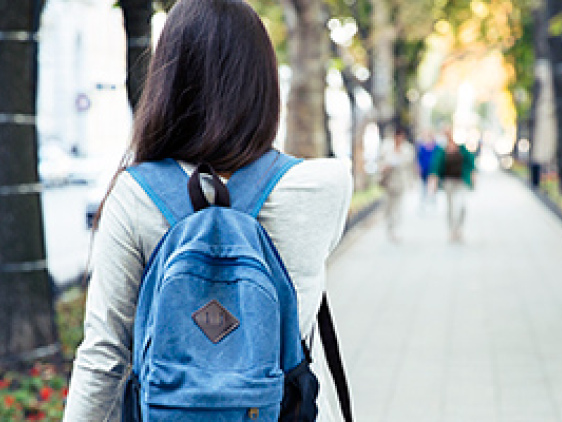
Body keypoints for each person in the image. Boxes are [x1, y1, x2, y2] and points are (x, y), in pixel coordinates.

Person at [62, 1, 352, 421]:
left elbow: (105, 354)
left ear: (168, 80)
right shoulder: (326, 185)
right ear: (263, 83)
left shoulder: (134, 194)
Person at [428, 128, 476, 242]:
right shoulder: (441, 150)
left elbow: (470, 164)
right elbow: (436, 166)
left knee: (461, 206)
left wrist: (473, 178)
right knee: (450, 208)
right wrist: (433, 181)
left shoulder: (462, 148)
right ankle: (452, 230)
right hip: (448, 182)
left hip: (461, 182)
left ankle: (459, 228)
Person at [378, 129, 414, 242]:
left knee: (398, 207)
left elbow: (408, 165)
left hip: (400, 182)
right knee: (388, 207)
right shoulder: (386, 146)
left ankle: (396, 230)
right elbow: (380, 161)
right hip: (388, 182)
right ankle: (389, 228)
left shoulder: (407, 149)